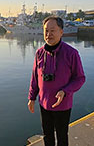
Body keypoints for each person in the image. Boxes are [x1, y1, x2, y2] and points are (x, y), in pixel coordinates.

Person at [28, 16, 86, 146]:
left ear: (61, 32)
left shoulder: (71, 53)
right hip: (44, 103)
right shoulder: (39, 53)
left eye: (52, 30)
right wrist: (32, 97)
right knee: (47, 136)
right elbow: (35, 78)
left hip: (63, 105)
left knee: (61, 137)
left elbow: (80, 78)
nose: (48, 34)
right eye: (46, 31)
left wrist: (65, 91)